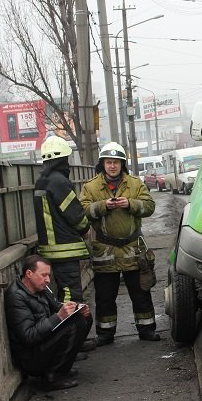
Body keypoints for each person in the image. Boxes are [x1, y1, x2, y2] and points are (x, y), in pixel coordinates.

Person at [79, 142, 158, 345]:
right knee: (105, 296)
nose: (112, 166)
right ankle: (105, 334)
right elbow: (83, 212)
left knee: (140, 292)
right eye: (109, 162)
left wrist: (131, 204)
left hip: (133, 249)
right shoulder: (90, 187)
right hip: (105, 250)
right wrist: (102, 206)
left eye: (116, 162)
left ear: (122, 164)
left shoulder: (135, 184)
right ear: (102, 164)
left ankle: (147, 330)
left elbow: (150, 206)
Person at [4, 255, 92, 390]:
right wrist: (59, 316)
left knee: (82, 317)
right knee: (75, 325)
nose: (48, 280)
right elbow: (28, 336)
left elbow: (56, 306)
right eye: (43, 275)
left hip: (42, 343)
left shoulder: (40, 287)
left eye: (48, 275)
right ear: (29, 274)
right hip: (30, 357)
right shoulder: (16, 297)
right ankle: (52, 377)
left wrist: (76, 308)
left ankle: (62, 368)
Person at [33, 135, 91, 304]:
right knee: (71, 296)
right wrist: (85, 229)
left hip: (49, 250)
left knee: (62, 294)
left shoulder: (41, 182)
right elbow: (75, 215)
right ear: (64, 160)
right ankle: (70, 321)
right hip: (66, 251)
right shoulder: (59, 182)